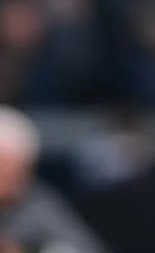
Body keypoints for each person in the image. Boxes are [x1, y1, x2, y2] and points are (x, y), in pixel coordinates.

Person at [0, 106, 107, 253]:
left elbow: (80, 247)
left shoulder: (37, 203)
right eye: (4, 167)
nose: (13, 178)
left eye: (21, 169)